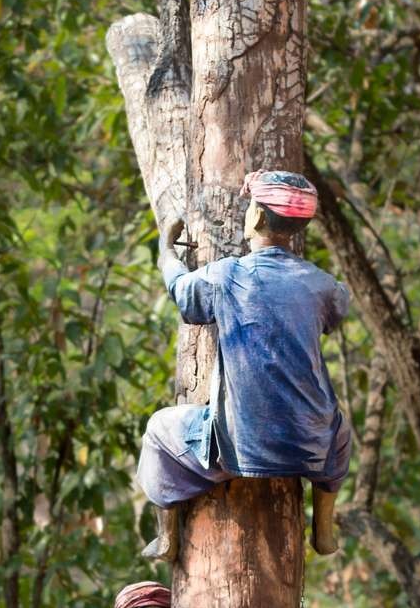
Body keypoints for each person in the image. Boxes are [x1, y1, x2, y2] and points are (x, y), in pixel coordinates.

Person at [137, 170, 351, 562]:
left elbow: (181, 292)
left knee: (158, 431)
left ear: (254, 218)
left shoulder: (227, 276)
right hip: (309, 449)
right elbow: (339, 306)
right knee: (340, 430)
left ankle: (166, 536)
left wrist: (166, 254)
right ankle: (324, 524)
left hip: (239, 449)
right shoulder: (320, 285)